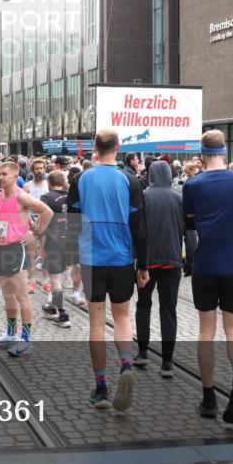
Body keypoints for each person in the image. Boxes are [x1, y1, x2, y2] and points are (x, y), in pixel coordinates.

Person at [67, 129, 148, 412]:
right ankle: (126, 364)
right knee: (122, 317)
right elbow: (140, 227)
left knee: (96, 324)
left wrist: (73, 260)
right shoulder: (130, 180)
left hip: (91, 259)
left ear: (95, 147)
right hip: (121, 258)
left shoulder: (80, 179)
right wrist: (143, 265)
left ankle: (101, 387)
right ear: (118, 147)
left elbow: (72, 222)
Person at [181, 129, 233, 423]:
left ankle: (209, 397)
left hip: (206, 264)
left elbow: (190, 223)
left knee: (205, 331)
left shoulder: (192, 185)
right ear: (224, 151)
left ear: (202, 153)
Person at [0, 161, 53, 356]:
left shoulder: (21, 196)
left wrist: (35, 233)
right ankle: (10, 334)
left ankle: (25, 339)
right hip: (1, 248)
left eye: (5, 174)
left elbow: (47, 211)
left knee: (21, 295)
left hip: (16, 249)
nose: (0, 177)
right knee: (7, 295)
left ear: (15, 176)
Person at [134, 160, 188, 378]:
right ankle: (167, 362)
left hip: (146, 262)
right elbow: (189, 231)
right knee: (169, 310)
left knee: (143, 305)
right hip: (172, 261)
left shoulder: (143, 197)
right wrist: (190, 258)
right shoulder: (178, 197)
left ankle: (142, 352)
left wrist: (136, 261)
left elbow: (135, 230)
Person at [38, 171, 75, 328]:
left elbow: (43, 221)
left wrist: (37, 234)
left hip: (54, 242)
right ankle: (52, 307)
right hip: (71, 241)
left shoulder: (46, 198)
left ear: (49, 183)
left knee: (55, 279)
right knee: (61, 277)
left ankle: (62, 314)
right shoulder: (71, 196)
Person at [22, 159, 50, 294]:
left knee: (45, 253)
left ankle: (46, 281)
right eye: (37, 168)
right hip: (31, 223)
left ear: (45, 169)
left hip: (45, 223)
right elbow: (23, 208)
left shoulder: (48, 185)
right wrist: (30, 221)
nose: (39, 171)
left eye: (41, 168)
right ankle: (32, 281)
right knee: (31, 254)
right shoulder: (27, 186)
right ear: (32, 170)